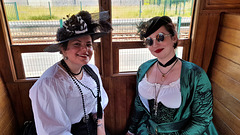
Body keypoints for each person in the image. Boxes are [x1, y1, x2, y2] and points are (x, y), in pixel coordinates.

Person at [126, 16, 218, 135]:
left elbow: (201, 120)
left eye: (160, 37)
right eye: (149, 41)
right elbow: (139, 104)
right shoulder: (143, 69)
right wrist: (131, 130)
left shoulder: (196, 74)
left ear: (174, 38)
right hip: (147, 130)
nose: (154, 45)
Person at [29, 10, 112, 135]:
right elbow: (55, 131)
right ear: (63, 49)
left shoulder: (92, 71)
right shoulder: (49, 84)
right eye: (77, 44)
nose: (85, 49)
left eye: (88, 44)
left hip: (92, 127)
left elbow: (98, 109)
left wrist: (101, 130)